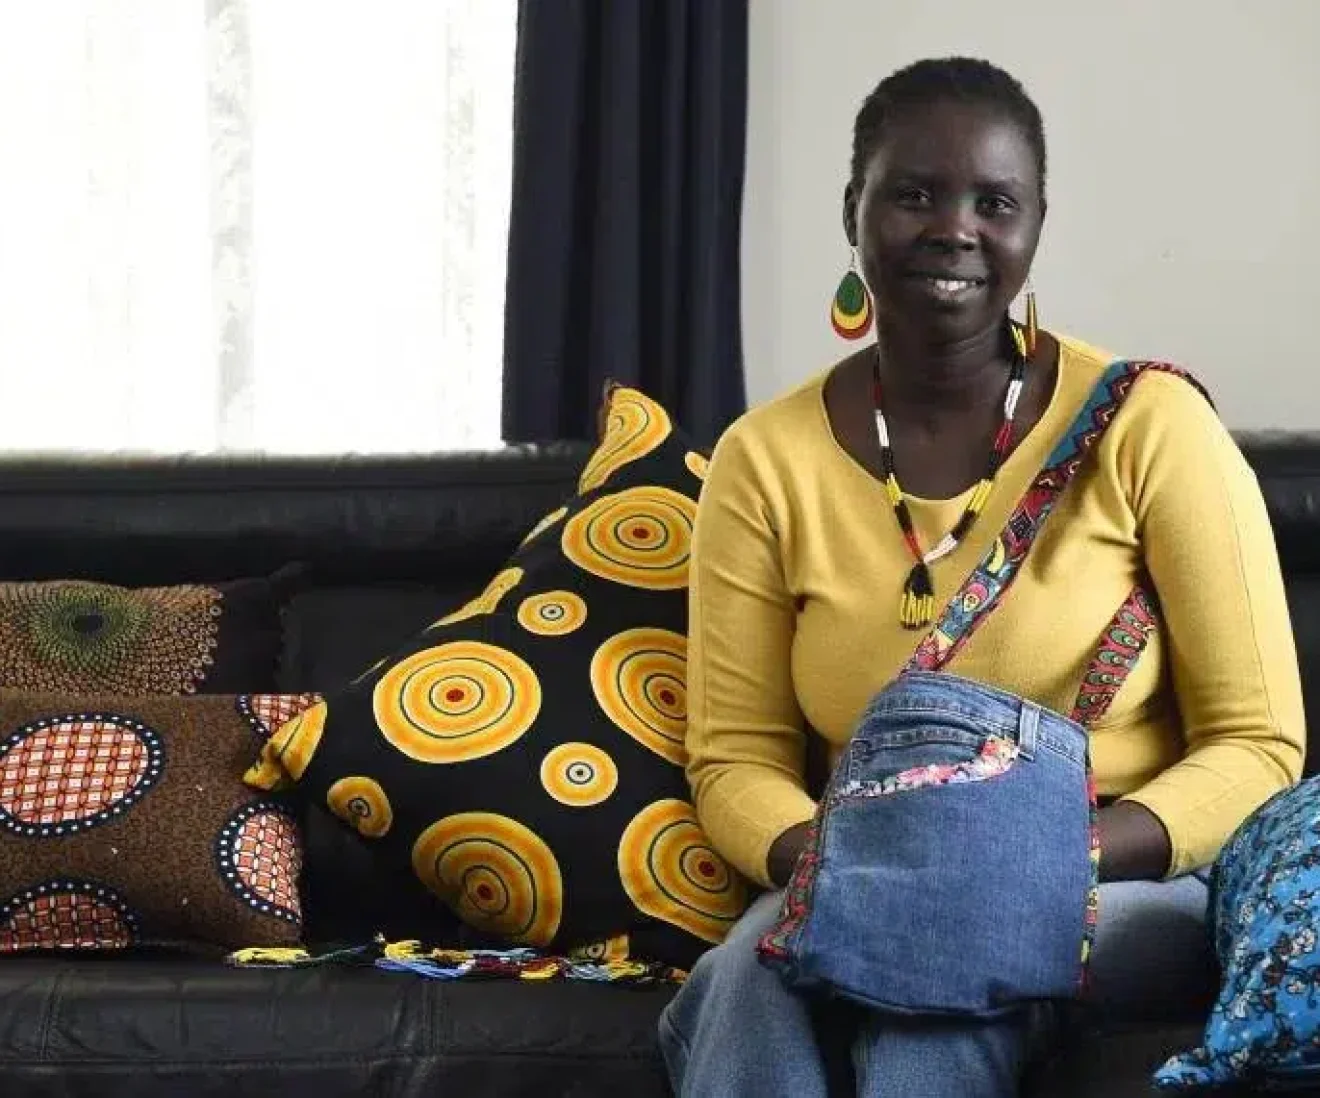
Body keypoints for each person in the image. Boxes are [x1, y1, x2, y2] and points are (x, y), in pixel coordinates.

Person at [657, 57, 1306, 1098]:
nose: (952, 227)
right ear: (853, 212)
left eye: (992, 202)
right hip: (862, 862)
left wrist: (1035, 861)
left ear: (1034, 225)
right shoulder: (762, 460)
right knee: (745, 979)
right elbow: (733, 758)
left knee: (936, 1002)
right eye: (913, 193)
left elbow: (1258, 744)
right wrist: (843, 872)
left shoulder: (1149, 427)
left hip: (1119, 881)